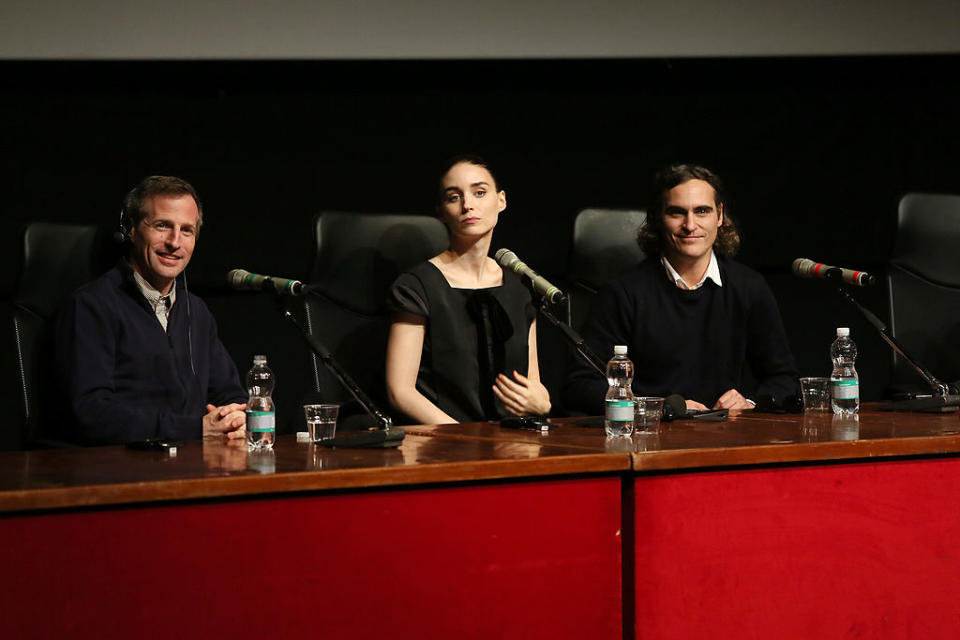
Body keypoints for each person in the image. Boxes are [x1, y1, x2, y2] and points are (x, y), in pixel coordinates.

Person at [564, 163, 798, 414]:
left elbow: (785, 380)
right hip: (649, 439)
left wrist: (749, 404)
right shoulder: (622, 294)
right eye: (677, 213)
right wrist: (662, 409)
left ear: (719, 216)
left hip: (726, 440)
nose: (690, 225)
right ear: (657, 218)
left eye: (702, 211)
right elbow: (580, 387)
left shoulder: (748, 287)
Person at [56, 175, 247, 444]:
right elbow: (91, 413)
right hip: (122, 469)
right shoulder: (92, 306)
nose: (174, 242)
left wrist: (235, 418)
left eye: (187, 230)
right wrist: (193, 429)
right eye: (162, 226)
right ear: (130, 229)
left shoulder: (196, 312)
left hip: (192, 466)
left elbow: (231, 395)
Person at [385, 155, 551, 424]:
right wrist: (461, 438)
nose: (468, 205)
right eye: (454, 197)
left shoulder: (520, 288)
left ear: (501, 201)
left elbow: (532, 383)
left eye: (480, 192)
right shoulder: (416, 286)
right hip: (442, 444)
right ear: (441, 212)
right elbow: (400, 392)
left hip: (512, 442)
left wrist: (541, 401)